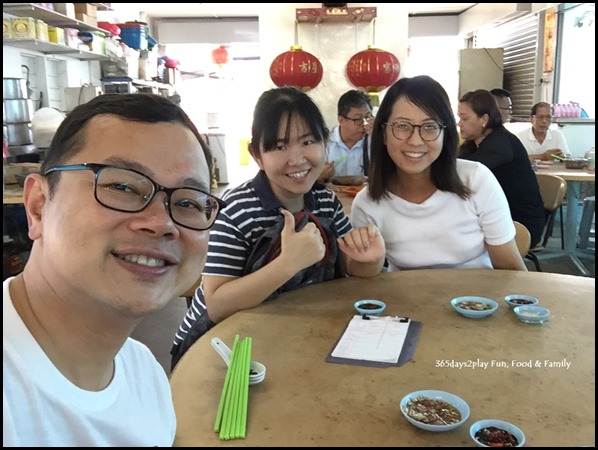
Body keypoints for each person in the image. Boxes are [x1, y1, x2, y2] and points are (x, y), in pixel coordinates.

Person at [3, 93, 224, 446]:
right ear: (39, 207)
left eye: (187, 203)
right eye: (121, 186)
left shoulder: (144, 373)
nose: (161, 223)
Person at [171, 86, 386, 368]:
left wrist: (371, 260)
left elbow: (353, 269)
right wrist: (288, 264)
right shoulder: (237, 209)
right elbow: (217, 304)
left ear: (325, 142)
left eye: (308, 141)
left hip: (287, 336)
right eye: (279, 146)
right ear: (257, 155)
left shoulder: (326, 203)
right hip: (215, 346)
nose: (297, 159)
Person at [351, 75, 526, 272]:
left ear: (445, 133)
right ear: (383, 133)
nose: (416, 141)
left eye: (430, 127)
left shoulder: (476, 180)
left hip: (479, 299)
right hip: (405, 300)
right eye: (402, 126)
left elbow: (511, 272)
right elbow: (365, 284)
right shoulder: (367, 203)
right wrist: (366, 265)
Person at [458, 89, 546, 249]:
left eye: (464, 118)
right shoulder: (473, 143)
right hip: (496, 217)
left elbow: (463, 175)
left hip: (520, 225)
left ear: (484, 119)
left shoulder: (500, 143)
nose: (459, 123)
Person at [320, 89, 374, 180]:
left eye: (368, 117)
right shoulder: (324, 141)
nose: (365, 124)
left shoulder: (373, 139)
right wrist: (319, 176)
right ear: (341, 120)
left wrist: (379, 138)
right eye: (357, 119)